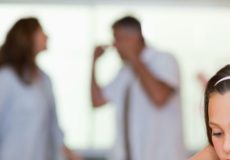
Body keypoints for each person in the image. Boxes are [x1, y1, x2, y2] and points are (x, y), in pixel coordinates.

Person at [91, 16, 186, 160]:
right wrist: (94, 63)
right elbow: (97, 101)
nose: (115, 46)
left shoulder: (164, 60)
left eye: (118, 39)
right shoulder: (124, 72)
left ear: (134, 37)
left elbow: (159, 97)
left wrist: (134, 57)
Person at [0, 17, 80, 160]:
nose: (46, 36)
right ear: (27, 38)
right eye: (41, 31)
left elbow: (53, 127)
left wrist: (71, 154)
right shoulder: (7, 78)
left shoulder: (44, 79)